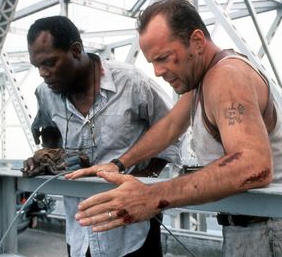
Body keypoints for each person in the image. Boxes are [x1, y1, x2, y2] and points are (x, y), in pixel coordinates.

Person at [67, 0, 282, 257]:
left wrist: (153, 196)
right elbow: (169, 127)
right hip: (251, 230)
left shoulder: (226, 76)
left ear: (197, 41)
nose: (157, 72)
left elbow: (253, 165)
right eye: (152, 62)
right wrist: (119, 164)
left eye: (164, 58)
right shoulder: (204, 79)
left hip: (271, 234)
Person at [23, 15, 181, 257]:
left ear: (75, 51)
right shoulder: (45, 93)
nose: (43, 73)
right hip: (79, 230)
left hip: (133, 230)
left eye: (50, 63)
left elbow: (173, 130)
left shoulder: (131, 82)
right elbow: (48, 130)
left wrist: (143, 180)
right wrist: (46, 156)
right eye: (37, 67)